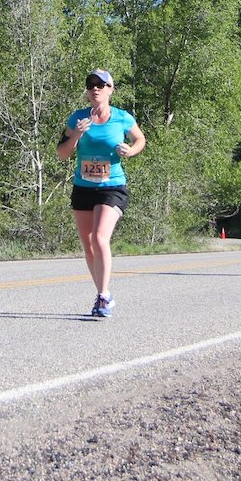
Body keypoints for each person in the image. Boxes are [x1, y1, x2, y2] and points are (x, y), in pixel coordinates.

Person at [56, 68, 146, 318]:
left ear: (110, 90)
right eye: (91, 84)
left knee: (99, 238)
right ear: (87, 91)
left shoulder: (122, 118)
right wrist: (76, 135)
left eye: (101, 84)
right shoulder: (77, 118)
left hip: (112, 187)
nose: (95, 88)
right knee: (88, 247)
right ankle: (103, 294)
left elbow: (140, 139)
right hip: (83, 187)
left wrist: (131, 150)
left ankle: (103, 296)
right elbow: (62, 154)